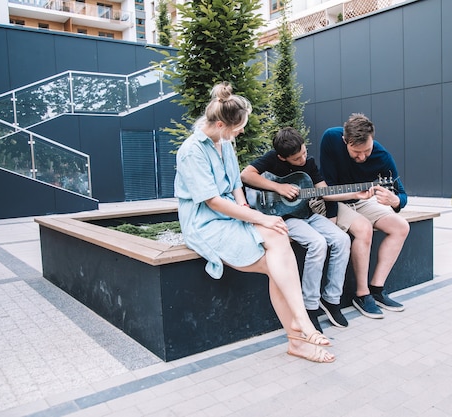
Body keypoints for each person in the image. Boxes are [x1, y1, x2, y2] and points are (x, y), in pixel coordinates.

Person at [174, 82, 335, 363]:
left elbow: (236, 184)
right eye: (239, 127)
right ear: (222, 123)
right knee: (278, 263)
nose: (242, 131)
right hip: (205, 222)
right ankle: (301, 328)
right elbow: (212, 201)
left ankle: (299, 334)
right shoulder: (191, 151)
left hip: (232, 213)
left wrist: (248, 209)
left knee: (279, 235)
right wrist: (259, 217)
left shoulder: (224, 142)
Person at [241, 127, 351, 333]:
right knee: (317, 244)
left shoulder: (308, 162)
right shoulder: (273, 158)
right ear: (283, 158)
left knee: (342, 239)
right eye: (297, 158)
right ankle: (309, 306)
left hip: (307, 214)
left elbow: (325, 192)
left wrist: (356, 194)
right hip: (284, 218)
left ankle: (332, 299)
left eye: (304, 153)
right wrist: (278, 188)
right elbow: (246, 175)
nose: (303, 159)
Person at [319, 113, 409, 319]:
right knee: (364, 228)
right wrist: (331, 221)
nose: (362, 157)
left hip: (361, 201)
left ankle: (377, 289)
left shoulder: (382, 155)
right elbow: (327, 190)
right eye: (356, 152)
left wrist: (394, 201)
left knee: (401, 227)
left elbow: (402, 195)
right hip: (334, 200)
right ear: (345, 141)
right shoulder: (331, 138)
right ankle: (361, 294)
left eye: (367, 150)